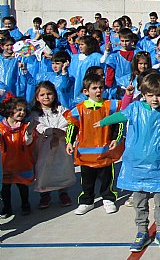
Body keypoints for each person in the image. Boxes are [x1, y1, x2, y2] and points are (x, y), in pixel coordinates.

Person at [94, 72, 160, 252]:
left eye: (159, 95)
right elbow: (121, 115)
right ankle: (142, 231)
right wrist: (104, 121)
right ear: (143, 94)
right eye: (151, 95)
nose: (155, 99)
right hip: (137, 164)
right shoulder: (136, 108)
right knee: (139, 201)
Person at [64, 74, 124, 215]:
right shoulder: (79, 109)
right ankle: (87, 201)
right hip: (86, 154)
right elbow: (73, 126)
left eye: (101, 87)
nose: (98, 91)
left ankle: (108, 198)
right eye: (94, 88)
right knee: (87, 180)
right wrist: (69, 141)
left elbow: (118, 123)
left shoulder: (110, 106)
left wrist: (117, 138)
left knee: (106, 178)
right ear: (86, 91)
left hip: (105, 152)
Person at [31, 81, 75, 209]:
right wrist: (52, 131)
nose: (46, 97)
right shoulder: (34, 114)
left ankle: (63, 193)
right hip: (43, 147)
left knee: (62, 168)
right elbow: (39, 127)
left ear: (55, 95)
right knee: (44, 169)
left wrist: (57, 133)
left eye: (49, 94)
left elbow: (66, 123)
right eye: (42, 94)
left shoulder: (61, 110)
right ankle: (45, 194)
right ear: (37, 97)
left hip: (61, 145)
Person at [0, 96, 35, 217]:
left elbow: (28, 142)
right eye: (19, 109)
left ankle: (25, 204)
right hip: (6, 163)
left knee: (22, 185)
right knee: (5, 187)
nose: (22, 113)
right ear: (9, 110)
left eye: (24, 110)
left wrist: (29, 132)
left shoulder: (25, 127)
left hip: (22, 162)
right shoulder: (1, 128)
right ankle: (7, 207)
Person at [68, 36, 105, 104]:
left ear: (89, 45)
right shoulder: (78, 58)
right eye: (79, 45)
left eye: (82, 44)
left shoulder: (95, 57)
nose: (80, 47)